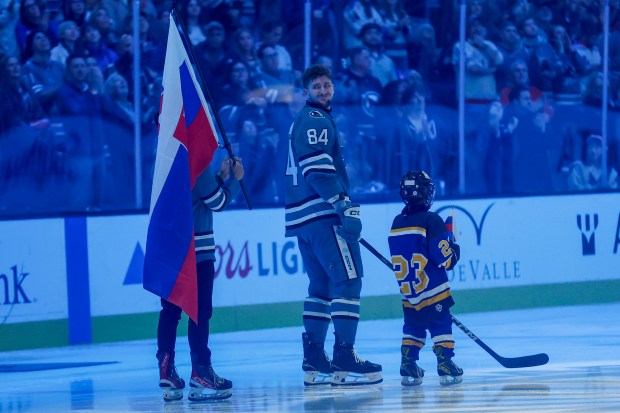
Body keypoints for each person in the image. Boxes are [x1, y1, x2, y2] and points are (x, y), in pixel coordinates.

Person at [284, 64, 382, 387]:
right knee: (349, 281)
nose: (323, 91)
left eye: (327, 85)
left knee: (321, 287)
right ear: (306, 93)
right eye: (317, 87)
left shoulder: (302, 121)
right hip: (324, 216)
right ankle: (344, 354)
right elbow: (318, 168)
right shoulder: (315, 120)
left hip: (303, 220)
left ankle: (314, 358)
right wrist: (342, 204)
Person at [156, 156, 244, 402]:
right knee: (199, 311)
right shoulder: (196, 161)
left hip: (171, 248)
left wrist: (220, 177)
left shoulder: (166, 160)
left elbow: (194, 194)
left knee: (170, 311)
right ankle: (202, 371)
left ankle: (166, 368)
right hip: (197, 250)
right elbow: (218, 201)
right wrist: (236, 180)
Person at [387, 170, 463, 387]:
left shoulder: (397, 222)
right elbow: (443, 258)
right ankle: (445, 362)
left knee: (414, 326)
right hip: (433, 289)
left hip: (409, 291)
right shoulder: (432, 220)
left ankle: (408, 363)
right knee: (441, 324)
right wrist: (454, 249)